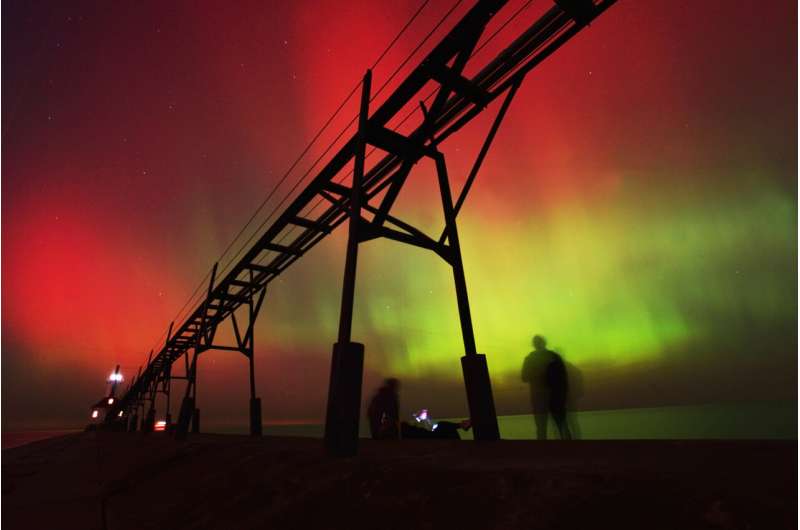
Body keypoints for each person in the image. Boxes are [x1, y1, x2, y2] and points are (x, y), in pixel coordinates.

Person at [521, 335, 572, 440]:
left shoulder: (530, 358)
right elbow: (563, 378)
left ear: (534, 345)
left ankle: (543, 452)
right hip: (555, 396)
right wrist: (563, 395)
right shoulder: (553, 356)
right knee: (561, 425)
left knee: (541, 428)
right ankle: (571, 450)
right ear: (544, 343)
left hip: (539, 398)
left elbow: (524, 377)